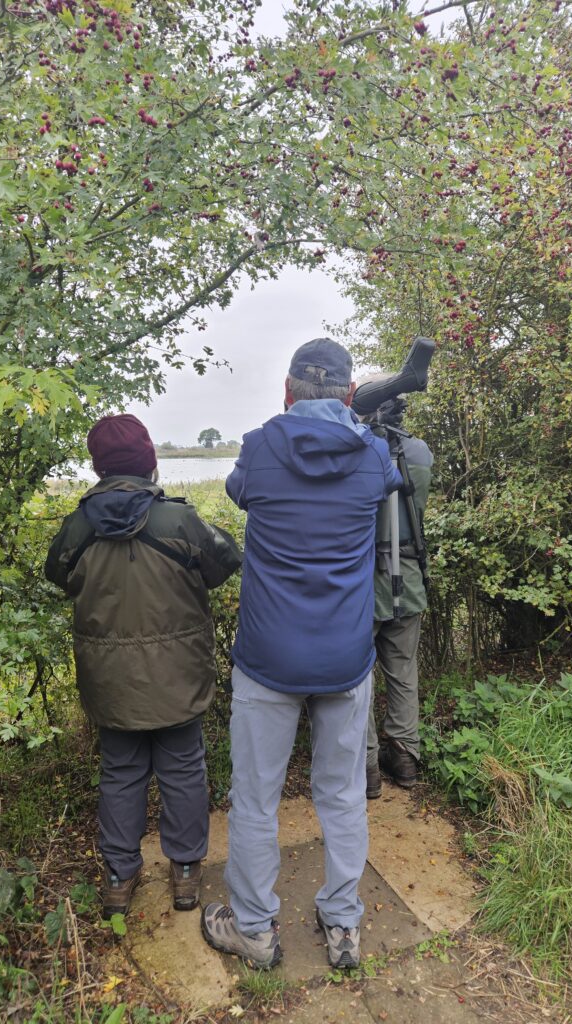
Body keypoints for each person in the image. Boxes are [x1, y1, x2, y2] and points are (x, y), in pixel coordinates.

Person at [200, 339, 402, 971]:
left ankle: (255, 930)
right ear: (348, 394)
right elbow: (388, 480)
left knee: (256, 799)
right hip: (345, 658)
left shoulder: (260, 447)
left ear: (287, 391)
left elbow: (239, 493)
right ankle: (343, 925)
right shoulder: (373, 455)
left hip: (268, 657)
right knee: (340, 796)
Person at [45, 414, 241, 919]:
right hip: (179, 676)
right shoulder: (178, 521)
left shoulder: (78, 527)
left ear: (97, 466)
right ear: (151, 460)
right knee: (182, 769)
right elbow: (225, 562)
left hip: (110, 684)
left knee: (121, 773)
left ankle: (118, 877)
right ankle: (184, 875)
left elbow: (59, 577)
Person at [360, 397, 433, 799]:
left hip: (365, 582)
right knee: (403, 670)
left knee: (359, 676)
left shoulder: (359, 451)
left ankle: (368, 765)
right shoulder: (421, 451)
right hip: (409, 576)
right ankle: (404, 756)